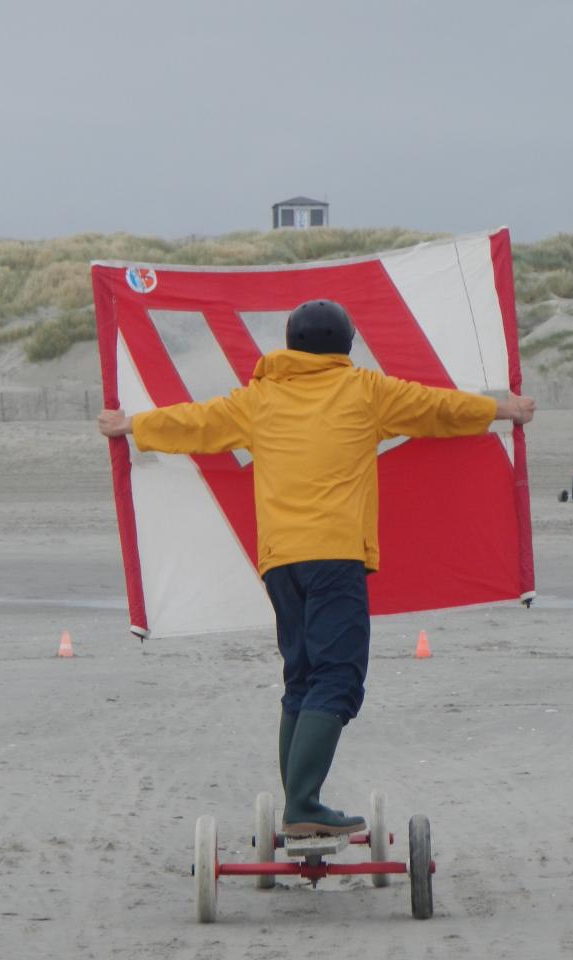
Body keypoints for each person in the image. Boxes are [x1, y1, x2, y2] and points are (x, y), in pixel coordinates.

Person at [97, 300, 535, 836]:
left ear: (289, 344)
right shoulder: (366, 392)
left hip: (280, 563)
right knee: (338, 677)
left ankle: (298, 806)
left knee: (301, 678)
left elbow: (197, 423)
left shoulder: (261, 398)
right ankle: (304, 804)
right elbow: (439, 409)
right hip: (335, 556)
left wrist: (132, 425)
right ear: (346, 347)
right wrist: (502, 410)